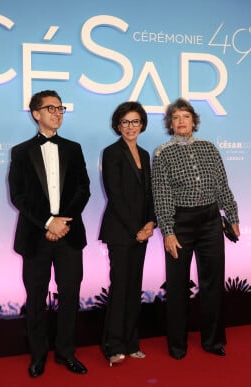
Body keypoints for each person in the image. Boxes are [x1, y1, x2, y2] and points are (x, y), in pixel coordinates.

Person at [8, 90, 91, 378]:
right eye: (51, 108)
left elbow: (84, 189)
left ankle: (67, 353)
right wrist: (47, 222)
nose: (57, 113)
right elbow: (18, 196)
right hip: (35, 238)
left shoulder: (74, 148)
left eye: (61, 108)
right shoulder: (20, 152)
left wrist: (62, 223)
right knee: (36, 299)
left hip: (69, 235)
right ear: (36, 113)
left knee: (70, 297)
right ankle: (38, 355)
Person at [151, 98, 240, 360]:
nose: (181, 121)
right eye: (176, 117)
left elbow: (222, 185)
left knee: (213, 284)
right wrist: (168, 230)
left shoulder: (210, 148)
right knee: (177, 286)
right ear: (170, 123)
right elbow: (162, 195)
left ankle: (213, 341)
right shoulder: (162, 153)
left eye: (186, 117)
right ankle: (177, 345)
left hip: (212, 221)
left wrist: (232, 215)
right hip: (181, 225)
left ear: (194, 122)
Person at [99, 101, 156, 367]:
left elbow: (149, 194)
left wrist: (151, 223)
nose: (130, 127)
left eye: (135, 121)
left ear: (142, 124)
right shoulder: (111, 153)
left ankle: (132, 343)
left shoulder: (145, 154)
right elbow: (116, 195)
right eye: (125, 122)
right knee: (120, 289)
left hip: (142, 232)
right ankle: (113, 346)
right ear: (117, 126)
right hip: (121, 233)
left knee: (134, 289)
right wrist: (137, 229)